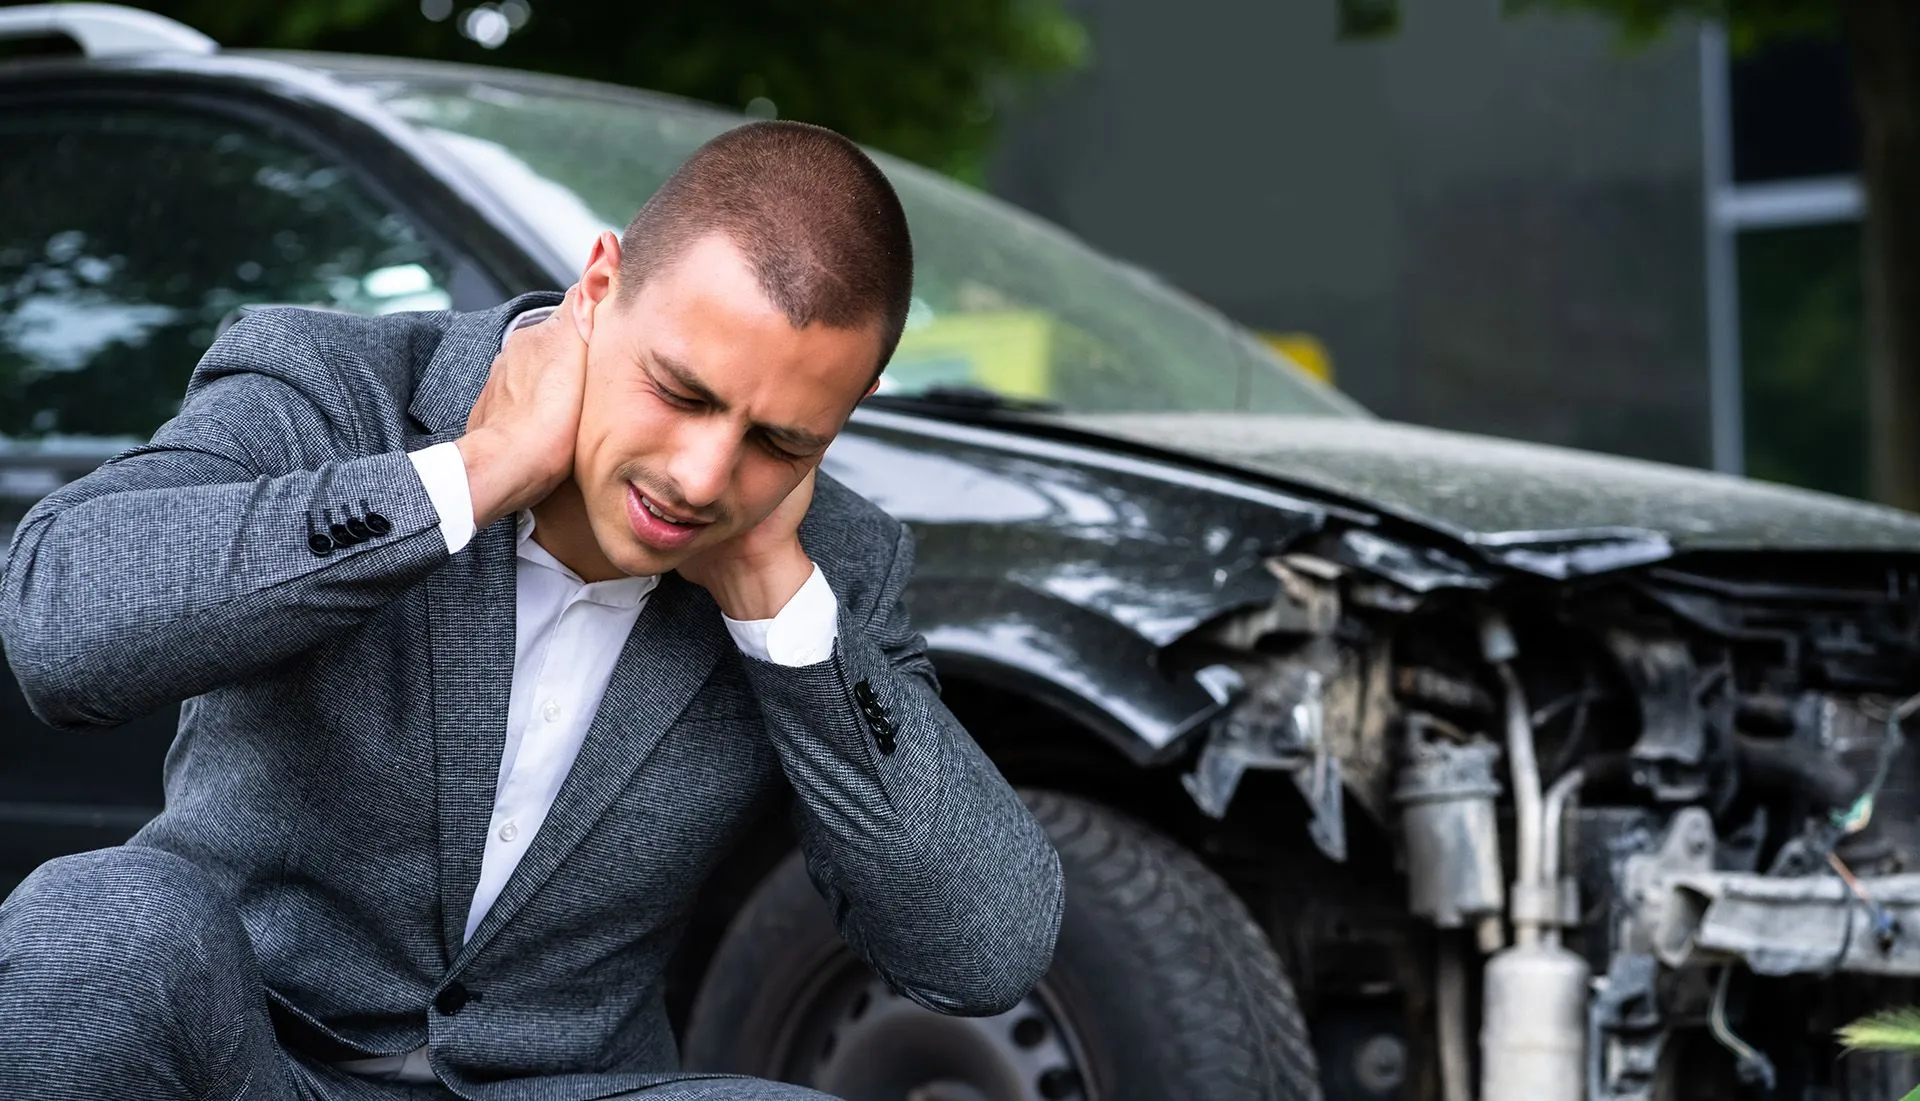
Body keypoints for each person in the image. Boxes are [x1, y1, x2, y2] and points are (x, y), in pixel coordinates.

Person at [0, 119, 1065, 1101]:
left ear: (849, 411)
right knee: (94, 929)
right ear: (598, 287)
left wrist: (773, 602)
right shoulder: (333, 383)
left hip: (558, 1087)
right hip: (254, 1060)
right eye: (682, 392)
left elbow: (984, 947)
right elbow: (62, 620)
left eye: (780, 440)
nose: (702, 478)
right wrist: (473, 474)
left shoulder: (835, 561)